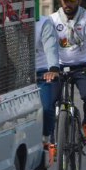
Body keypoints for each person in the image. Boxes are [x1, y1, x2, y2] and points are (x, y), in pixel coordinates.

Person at [50, 0, 86, 144]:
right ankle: (51, 139)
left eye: (71, 1)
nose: (67, 4)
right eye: (65, 1)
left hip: (83, 66)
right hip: (58, 67)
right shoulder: (53, 19)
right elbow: (48, 44)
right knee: (50, 101)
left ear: (79, 1)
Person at [35, 16, 61, 160]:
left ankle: (47, 138)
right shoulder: (8, 20)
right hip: (19, 76)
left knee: (46, 108)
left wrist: (53, 69)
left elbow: (50, 47)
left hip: (43, 72)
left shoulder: (43, 22)